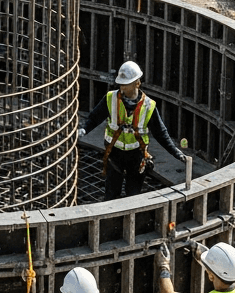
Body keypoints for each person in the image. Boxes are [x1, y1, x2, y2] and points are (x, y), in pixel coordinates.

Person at [80, 61, 187, 200]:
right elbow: (95, 118)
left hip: (136, 156)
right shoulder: (111, 98)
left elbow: (161, 133)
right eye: (121, 84)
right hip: (114, 153)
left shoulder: (148, 106)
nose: (122, 87)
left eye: (126, 84)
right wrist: (84, 130)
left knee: (133, 196)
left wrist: (176, 153)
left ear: (137, 83)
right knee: (111, 194)